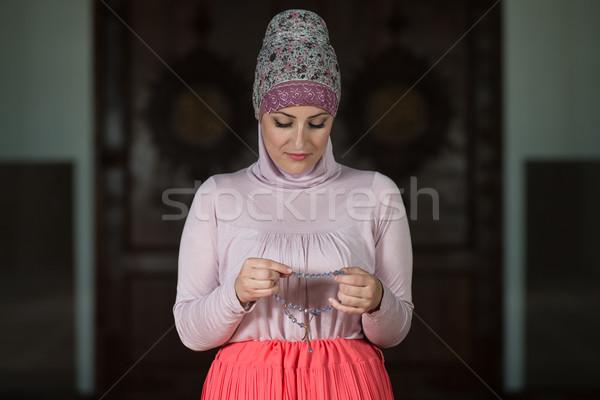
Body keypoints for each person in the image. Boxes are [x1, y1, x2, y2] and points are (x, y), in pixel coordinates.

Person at [173, 9, 413, 400]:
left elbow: (395, 332)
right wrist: (234, 294)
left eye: (317, 123)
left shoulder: (377, 193)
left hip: (350, 386)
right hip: (246, 388)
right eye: (283, 122)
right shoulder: (218, 195)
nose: (300, 143)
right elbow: (190, 334)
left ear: (333, 118)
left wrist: (379, 301)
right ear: (258, 113)